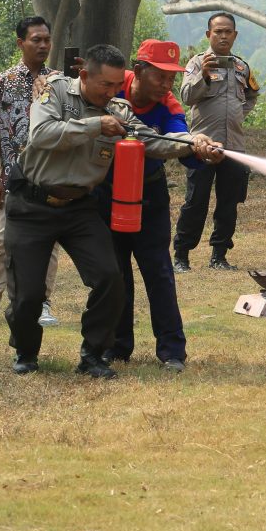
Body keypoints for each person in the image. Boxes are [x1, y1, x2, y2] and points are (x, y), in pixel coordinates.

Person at [5, 44, 223, 377]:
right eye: (105, 85)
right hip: (32, 204)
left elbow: (151, 141)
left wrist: (194, 143)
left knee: (110, 278)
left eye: (115, 85)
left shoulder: (118, 110)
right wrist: (95, 126)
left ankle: (94, 355)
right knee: (29, 294)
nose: (112, 92)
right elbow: (41, 135)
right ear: (84, 75)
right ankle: (26, 350)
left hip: (80, 208)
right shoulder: (56, 93)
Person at [91, 39, 216, 373]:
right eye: (160, 76)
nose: (166, 85)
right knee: (114, 273)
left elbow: (178, 136)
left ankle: (172, 351)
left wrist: (197, 143)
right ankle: (116, 347)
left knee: (158, 271)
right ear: (140, 69)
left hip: (150, 196)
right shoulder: (112, 90)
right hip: (106, 193)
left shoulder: (170, 103)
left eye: (172, 78)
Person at [0, 16, 63, 331]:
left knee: (49, 243)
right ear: (21, 43)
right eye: (36, 39)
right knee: (1, 242)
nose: (43, 45)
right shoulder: (1, 83)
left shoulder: (60, 83)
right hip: (12, 179)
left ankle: (43, 304)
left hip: (50, 176)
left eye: (46, 39)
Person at [173, 12, 260, 272]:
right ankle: (182, 256)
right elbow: (187, 96)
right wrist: (205, 76)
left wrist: (238, 115)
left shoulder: (242, 67)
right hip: (202, 146)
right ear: (208, 34)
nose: (223, 36)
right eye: (218, 31)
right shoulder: (197, 63)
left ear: (235, 35)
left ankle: (219, 256)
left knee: (228, 203)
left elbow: (253, 95)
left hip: (233, 146)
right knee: (195, 201)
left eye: (228, 31)